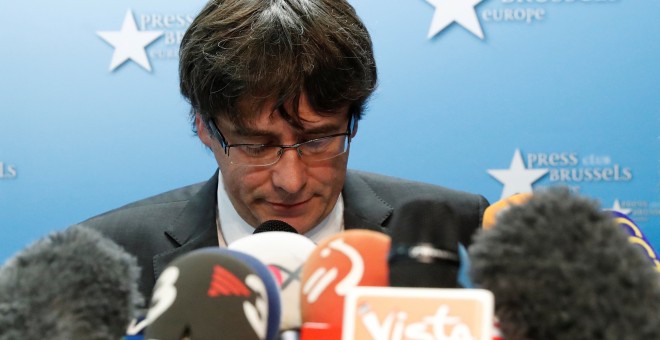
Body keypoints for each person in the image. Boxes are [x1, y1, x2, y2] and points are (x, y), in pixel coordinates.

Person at [78, 0, 489, 301]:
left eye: (319, 141)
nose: (291, 181)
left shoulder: (464, 230)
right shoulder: (107, 253)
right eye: (256, 146)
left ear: (354, 121)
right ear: (203, 126)